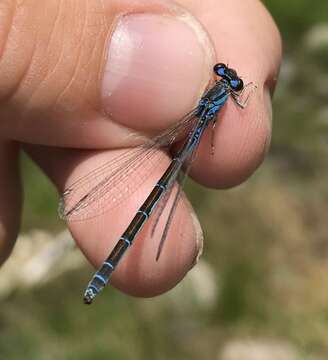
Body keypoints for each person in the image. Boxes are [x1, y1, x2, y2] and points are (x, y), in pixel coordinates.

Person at [0, 0, 281, 297]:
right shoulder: (224, 94)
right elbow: (226, 120)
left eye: (231, 80)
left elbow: (212, 133)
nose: (228, 80)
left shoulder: (215, 92)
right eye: (227, 77)